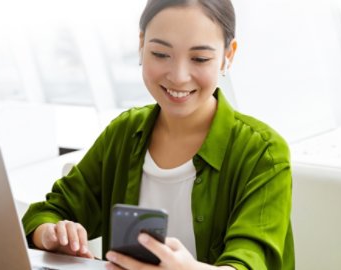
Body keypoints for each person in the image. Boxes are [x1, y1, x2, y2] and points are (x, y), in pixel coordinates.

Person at [22, 0, 294, 269]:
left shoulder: (263, 153)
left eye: (199, 58)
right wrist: (50, 234)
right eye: (161, 54)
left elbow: (252, 260)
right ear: (142, 45)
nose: (178, 76)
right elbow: (49, 212)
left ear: (228, 55)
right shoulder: (124, 133)